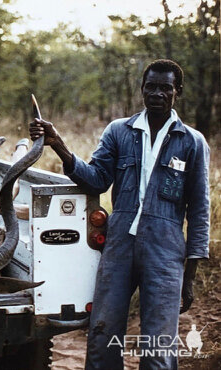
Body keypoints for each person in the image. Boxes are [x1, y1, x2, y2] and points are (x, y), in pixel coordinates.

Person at [30, 59, 210, 369]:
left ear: (176, 91)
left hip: (165, 253)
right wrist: (57, 143)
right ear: (142, 89)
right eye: (150, 87)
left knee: (158, 347)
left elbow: (199, 210)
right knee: (102, 335)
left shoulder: (192, 142)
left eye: (165, 88)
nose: (157, 94)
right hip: (119, 248)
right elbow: (96, 178)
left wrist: (189, 276)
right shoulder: (120, 131)